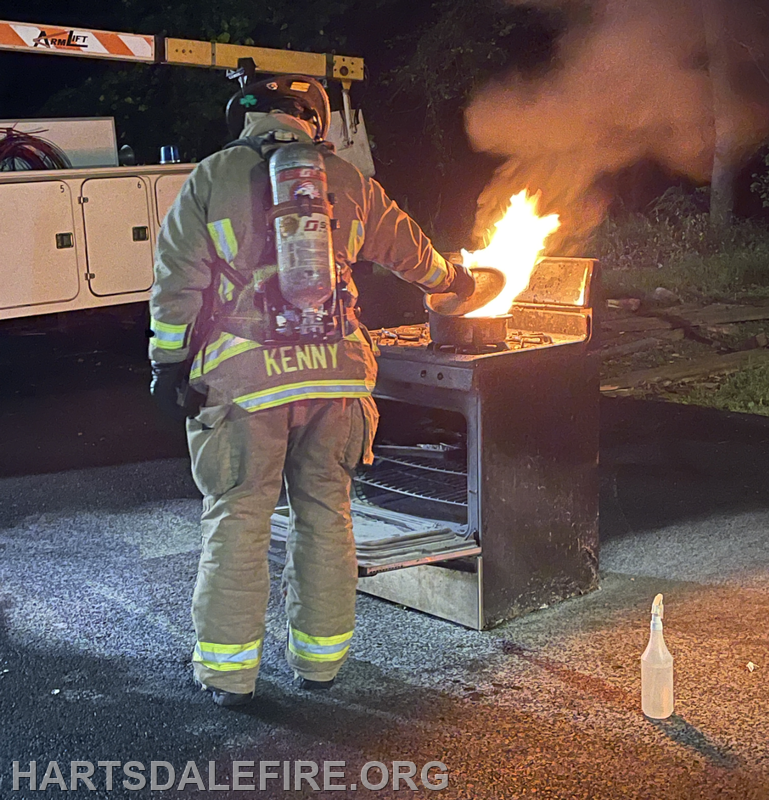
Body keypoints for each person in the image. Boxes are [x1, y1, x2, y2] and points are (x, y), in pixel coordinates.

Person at [148, 74, 476, 707]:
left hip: (245, 384)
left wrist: (167, 365)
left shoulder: (212, 177)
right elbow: (415, 256)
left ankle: (228, 675)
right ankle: (321, 665)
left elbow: (175, 286)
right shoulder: (347, 180)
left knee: (238, 517)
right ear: (314, 122)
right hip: (337, 378)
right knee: (326, 514)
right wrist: (456, 280)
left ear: (246, 117)